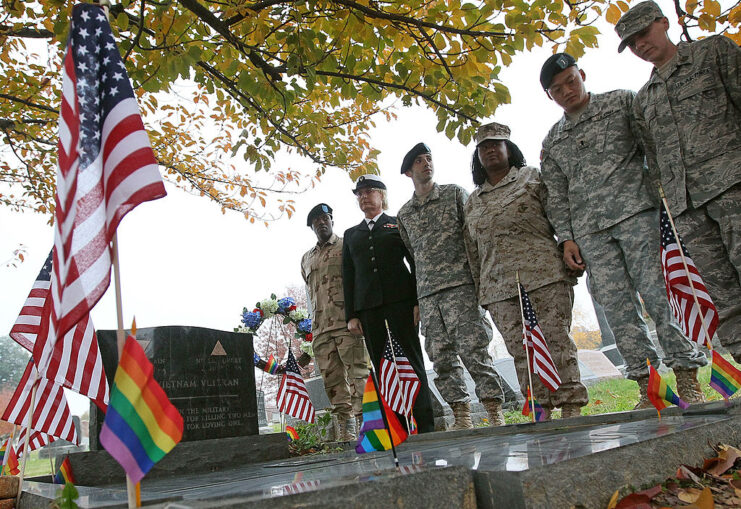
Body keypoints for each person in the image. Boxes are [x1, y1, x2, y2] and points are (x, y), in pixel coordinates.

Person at [538, 53, 706, 406]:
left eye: (571, 80)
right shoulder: (552, 141)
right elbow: (557, 195)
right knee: (619, 312)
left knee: (661, 297)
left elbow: (653, 149)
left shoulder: (621, 103)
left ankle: (688, 376)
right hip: (592, 235)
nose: (568, 90)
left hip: (639, 217)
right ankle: (649, 386)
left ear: (582, 74)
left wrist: (668, 202)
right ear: (550, 97)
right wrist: (567, 238)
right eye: (557, 88)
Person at [616, 1, 741, 364]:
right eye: (631, 42)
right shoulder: (644, 99)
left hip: (732, 187)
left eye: (643, 33)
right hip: (687, 209)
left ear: (664, 23)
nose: (640, 45)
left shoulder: (713, 53)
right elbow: (653, 159)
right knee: (726, 296)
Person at [463, 122, 588, 419]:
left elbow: (559, 214)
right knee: (521, 350)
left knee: (556, 339)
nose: (490, 150)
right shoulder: (472, 202)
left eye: (496, 144)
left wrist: (569, 245)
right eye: (483, 147)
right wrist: (482, 293)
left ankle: (571, 405)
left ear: (509, 148)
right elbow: (473, 252)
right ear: (477, 157)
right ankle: (539, 407)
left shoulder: (532, 179)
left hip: (544, 275)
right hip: (499, 288)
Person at [397, 142, 506, 429]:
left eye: (428, 159)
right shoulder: (404, 214)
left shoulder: (454, 195)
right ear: (409, 172)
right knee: (442, 358)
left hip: (461, 288)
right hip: (430, 296)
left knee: (475, 351)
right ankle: (462, 415)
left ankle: (494, 410)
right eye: (419, 161)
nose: (426, 164)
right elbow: (412, 255)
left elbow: (474, 236)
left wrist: (481, 283)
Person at [341, 174, 435, 433]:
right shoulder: (351, 235)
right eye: (359, 194)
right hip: (368, 309)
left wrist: (417, 300)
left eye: (369, 191)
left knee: (411, 361)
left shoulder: (397, 224)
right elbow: (348, 276)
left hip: (400, 304)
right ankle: (397, 427)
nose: (364, 197)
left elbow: (414, 262)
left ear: (382, 195)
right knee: (383, 367)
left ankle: (425, 425)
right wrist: (351, 314)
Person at [300, 203, 369, 441]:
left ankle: (367, 426)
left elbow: (359, 280)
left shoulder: (346, 245)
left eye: (325, 217)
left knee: (359, 375)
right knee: (333, 382)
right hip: (321, 330)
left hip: (347, 324)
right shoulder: (306, 259)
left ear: (332, 220)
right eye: (316, 220)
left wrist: (358, 315)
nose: (321, 222)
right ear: (312, 226)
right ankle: (346, 429)